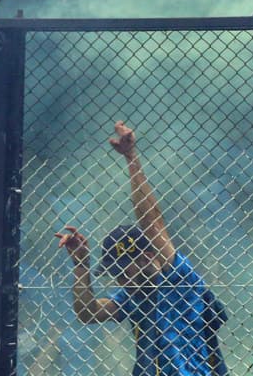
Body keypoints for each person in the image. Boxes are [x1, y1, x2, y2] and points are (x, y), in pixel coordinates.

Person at [55, 122, 226, 376]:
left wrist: (131, 159)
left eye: (123, 270)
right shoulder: (134, 296)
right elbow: (88, 313)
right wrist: (81, 265)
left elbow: (152, 222)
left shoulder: (176, 276)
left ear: (147, 256)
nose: (121, 279)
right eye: (116, 273)